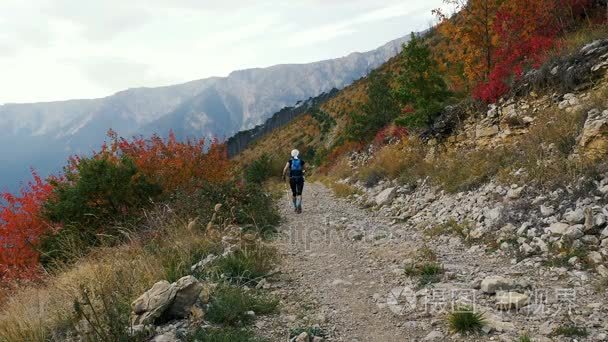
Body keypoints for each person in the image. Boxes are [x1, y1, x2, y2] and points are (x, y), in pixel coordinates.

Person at [282, 149, 305, 213]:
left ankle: (295, 207)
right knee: (299, 193)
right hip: (300, 178)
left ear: (292, 154)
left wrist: (283, 176)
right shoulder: (301, 161)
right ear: (298, 154)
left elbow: (285, 169)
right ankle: (299, 206)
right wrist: (303, 172)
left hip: (292, 179)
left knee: (294, 193)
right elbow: (305, 169)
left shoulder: (290, 161)